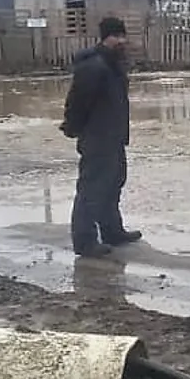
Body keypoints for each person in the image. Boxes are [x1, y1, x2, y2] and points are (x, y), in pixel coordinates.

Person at [60, 16, 141, 257]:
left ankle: (112, 232)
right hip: (97, 137)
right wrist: (72, 127)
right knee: (92, 189)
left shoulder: (114, 65)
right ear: (107, 37)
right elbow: (77, 102)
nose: (122, 41)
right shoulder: (94, 67)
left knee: (113, 183)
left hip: (113, 136)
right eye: (118, 36)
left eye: (123, 36)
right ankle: (85, 242)